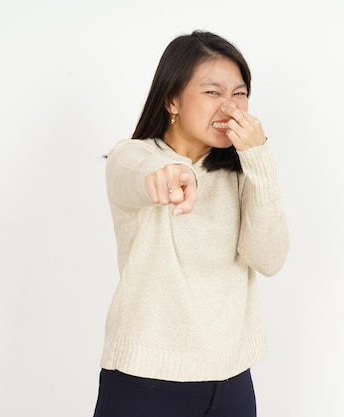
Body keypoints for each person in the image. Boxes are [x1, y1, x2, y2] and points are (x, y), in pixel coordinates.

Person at [92, 30, 289, 417]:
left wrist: (259, 157)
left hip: (232, 383)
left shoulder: (244, 174)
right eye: (212, 92)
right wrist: (169, 176)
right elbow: (137, 172)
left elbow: (268, 258)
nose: (230, 107)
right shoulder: (132, 157)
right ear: (172, 100)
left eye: (239, 93)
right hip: (146, 383)